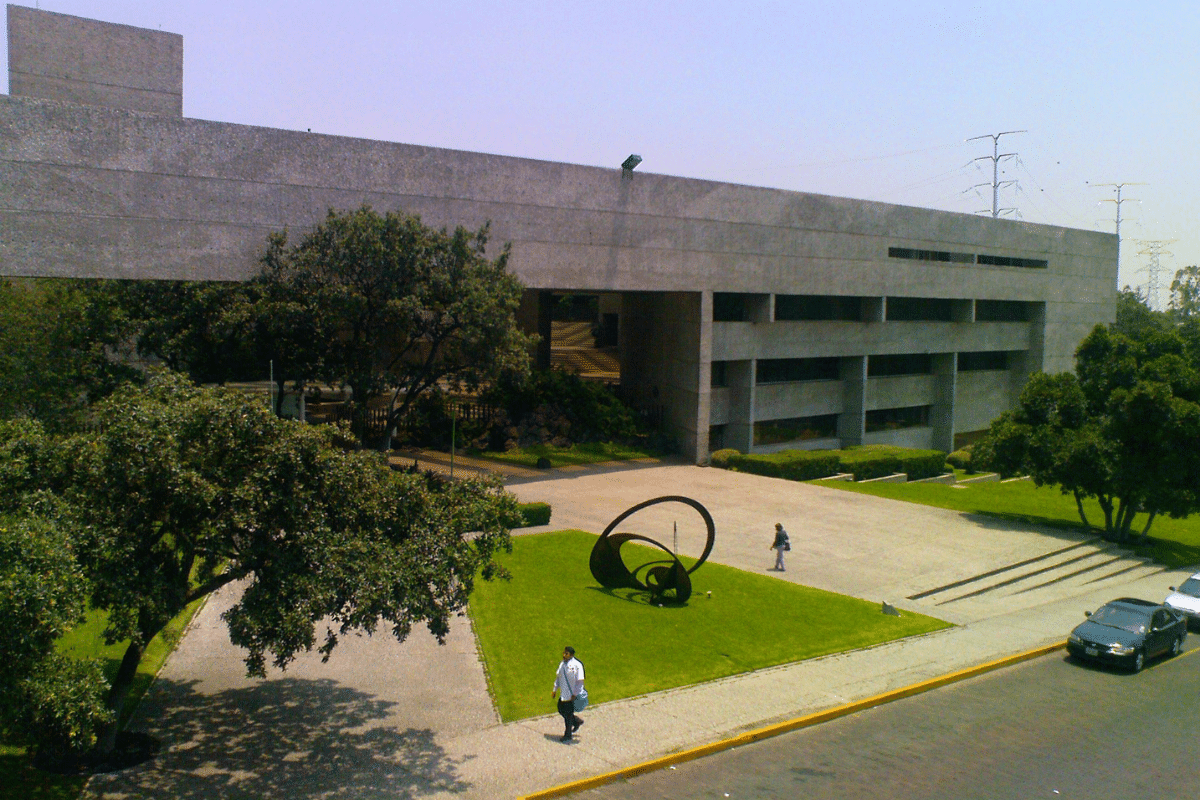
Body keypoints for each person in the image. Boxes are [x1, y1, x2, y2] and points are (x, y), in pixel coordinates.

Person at [551, 646, 585, 742]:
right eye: (564, 653)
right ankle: (576, 721)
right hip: (564, 694)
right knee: (561, 709)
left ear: (571, 655)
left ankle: (568, 735)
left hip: (571, 696)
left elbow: (580, 681)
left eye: (567, 653)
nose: (564, 655)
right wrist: (555, 689)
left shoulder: (577, 665)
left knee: (568, 716)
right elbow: (558, 677)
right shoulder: (562, 664)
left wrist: (575, 694)